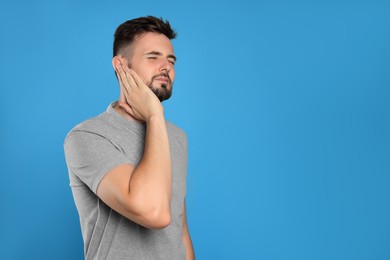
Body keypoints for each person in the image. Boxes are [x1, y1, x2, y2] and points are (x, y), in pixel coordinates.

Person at [64, 16, 194, 260]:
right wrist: (155, 114)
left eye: (171, 60)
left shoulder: (177, 137)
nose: (166, 66)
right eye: (153, 57)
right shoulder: (86, 137)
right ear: (120, 65)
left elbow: (180, 230)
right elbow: (154, 213)